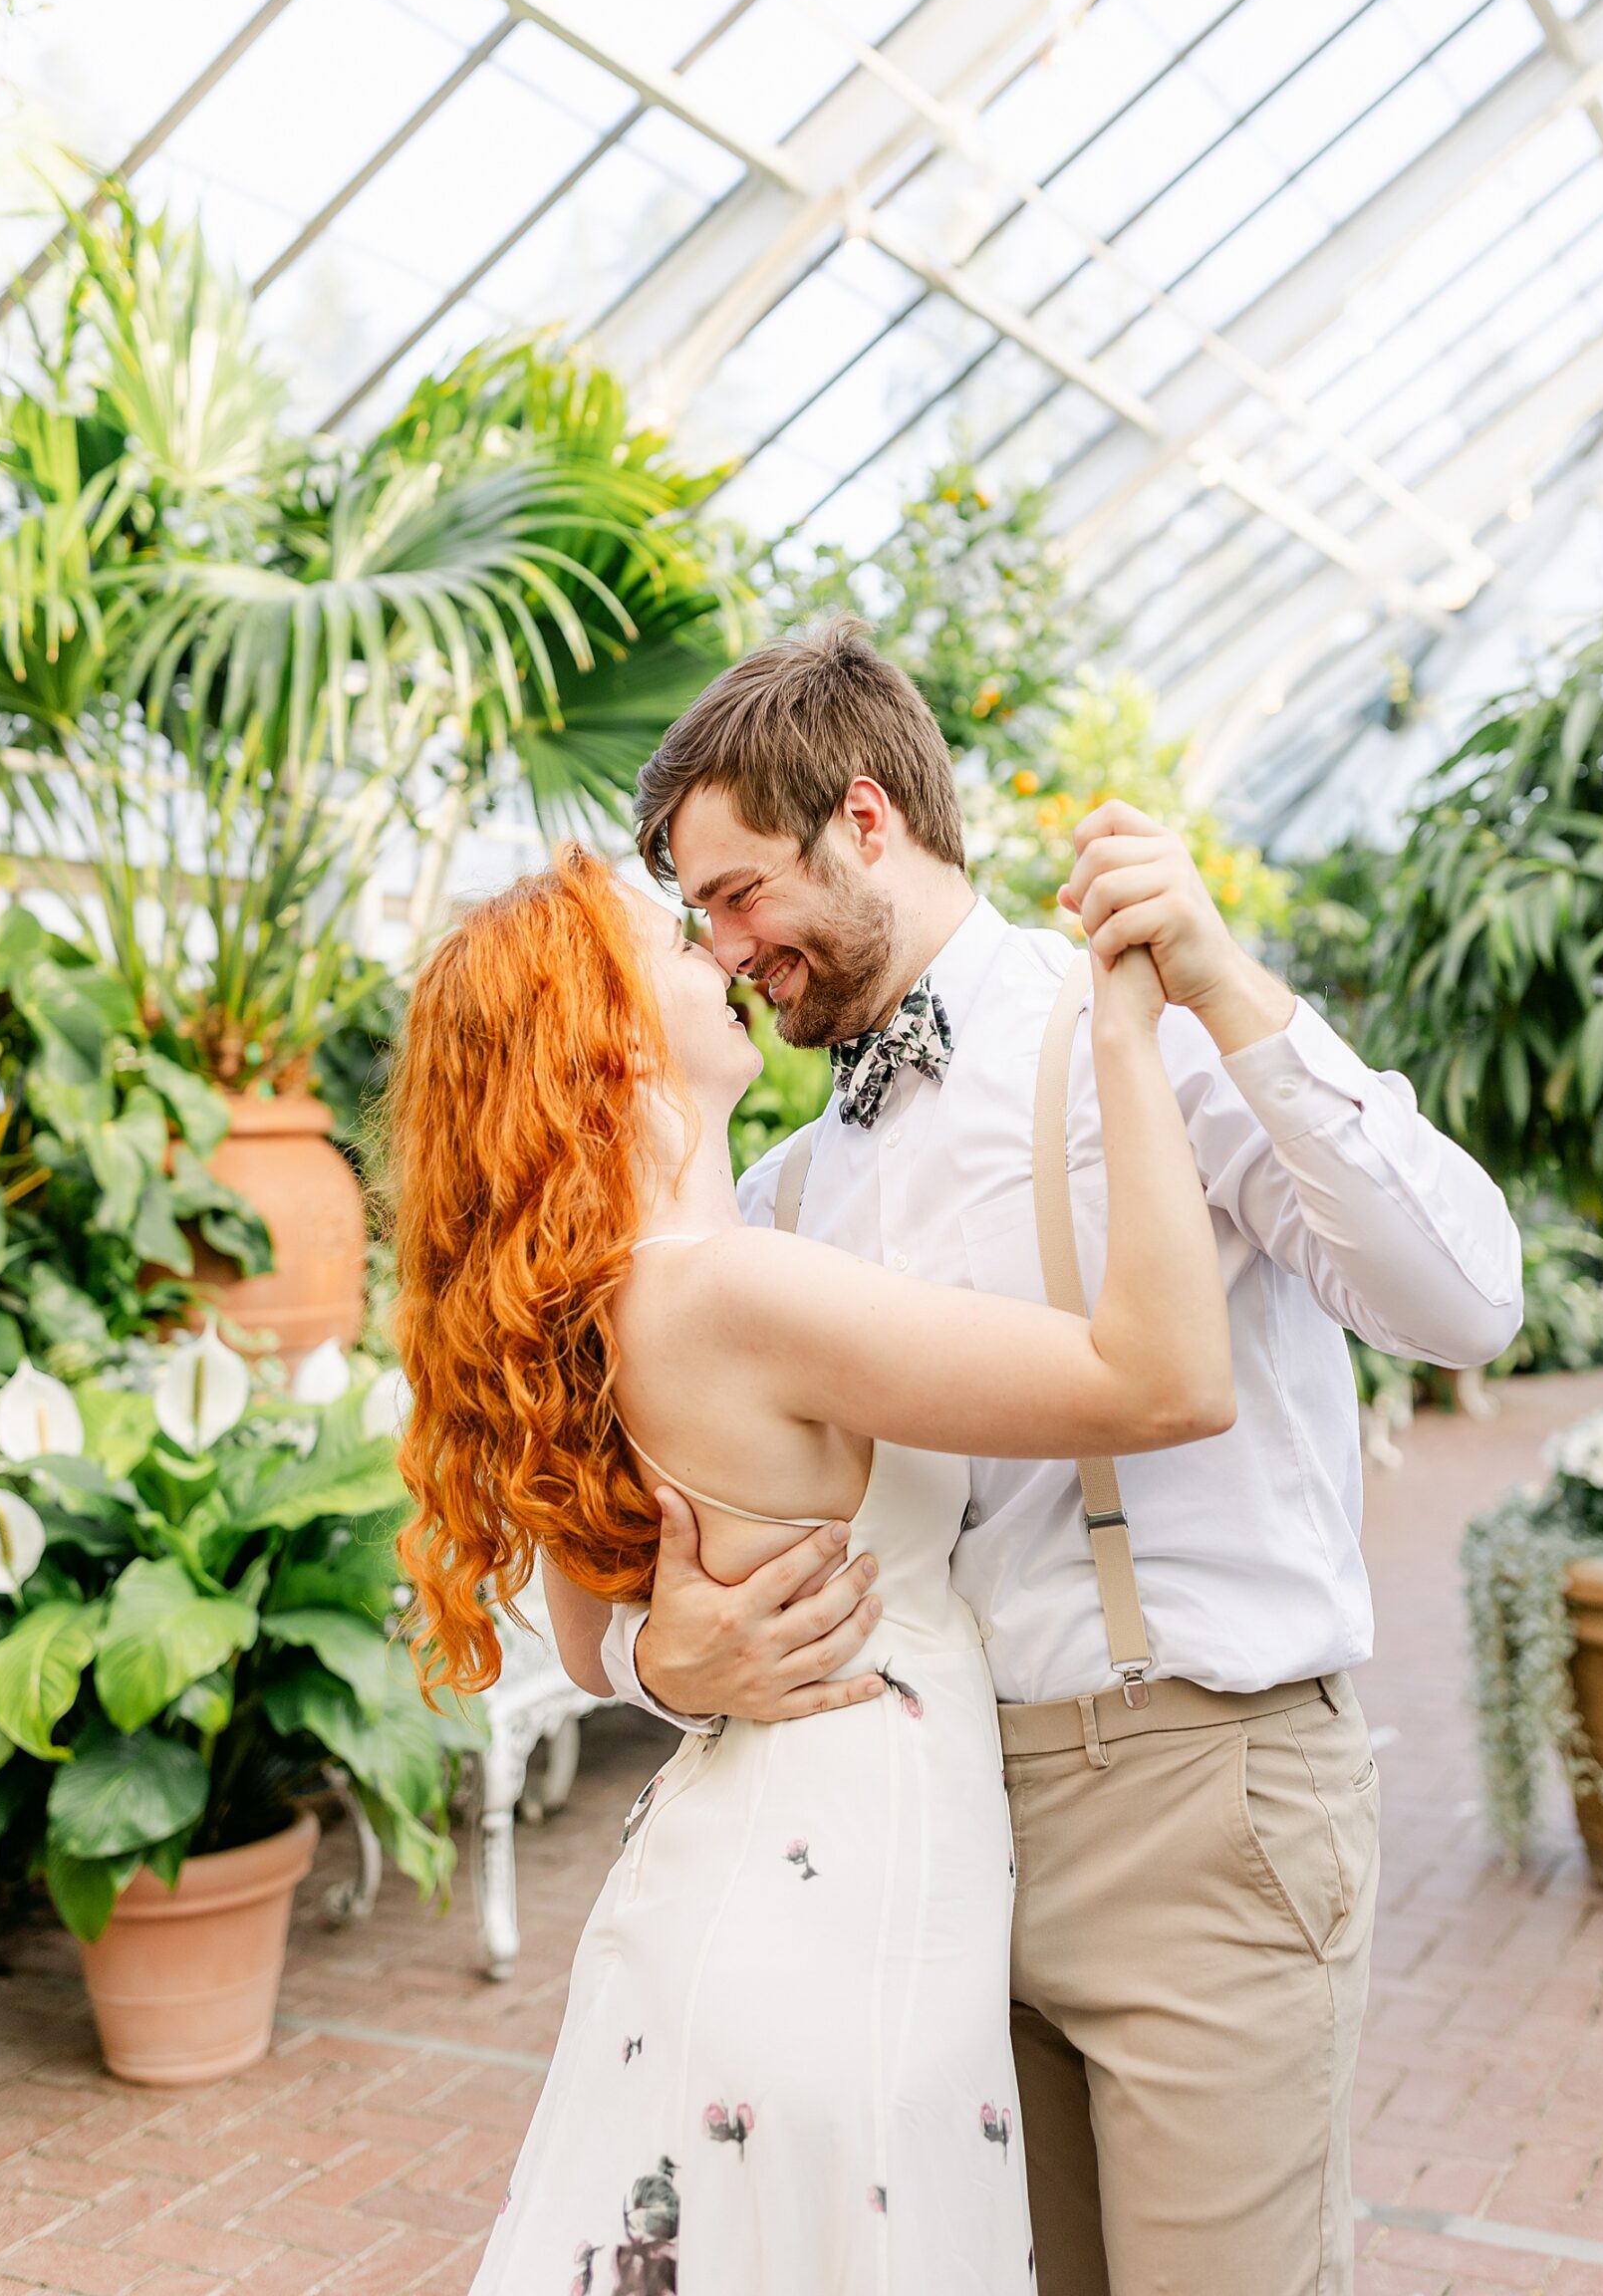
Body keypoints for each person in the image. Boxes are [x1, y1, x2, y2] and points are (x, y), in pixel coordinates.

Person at [597, 621, 1524, 2296]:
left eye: (739, 895)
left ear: (865, 823)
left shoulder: (1140, 1032)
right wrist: (660, 1662)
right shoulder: (787, 1183)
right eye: (702, 917)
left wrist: (1234, 993)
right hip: (929, 1838)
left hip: (1200, 1801)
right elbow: (642, 1538)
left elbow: (1465, 1300)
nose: (728, 952)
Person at [388, 836, 1236, 2296]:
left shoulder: (625, 1296)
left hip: (744, 1884)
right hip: (839, 1906)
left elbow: (598, 1641)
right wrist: (1123, 1031)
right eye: (669, 938)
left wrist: (662, 1661)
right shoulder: (735, 1291)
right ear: (598, 1032)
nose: (719, 950)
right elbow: (1164, 1378)